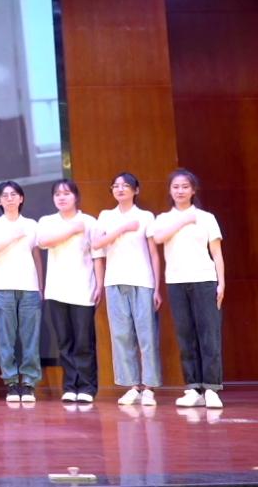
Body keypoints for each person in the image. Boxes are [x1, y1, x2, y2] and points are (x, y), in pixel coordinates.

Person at [150, 169, 225, 409]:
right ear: (170, 191)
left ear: (193, 190)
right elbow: (159, 237)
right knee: (186, 335)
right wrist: (183, 220)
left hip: (204, 280)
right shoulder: (163, 218)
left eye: (185, 186)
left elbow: (216, 253)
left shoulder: (206, 218)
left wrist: (221, 282)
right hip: (176, 282)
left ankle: (211, 388)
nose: (180, 191)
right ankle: (193, 388)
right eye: (175, 187)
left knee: (209, 334)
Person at [91, 172, 162, 407]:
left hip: (143, 281)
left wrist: (157, 288)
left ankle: (149, 387)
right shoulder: (106, 216)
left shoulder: (145, 216)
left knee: (146, 335)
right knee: (121, 335)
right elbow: (96, 244)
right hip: (114, 281)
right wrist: (122, 228)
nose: (120, 189)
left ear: (136, 190)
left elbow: (154, 254)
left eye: (125, 185)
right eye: (116, 186)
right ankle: (132, 386)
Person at [36, 179, 103, 404]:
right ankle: (70, 386)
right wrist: (72, 229)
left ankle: (87, 387)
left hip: (83, 288)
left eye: (66, 193)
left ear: (76, 196)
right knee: (64, 342)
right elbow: (43, 241)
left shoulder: (89, 221)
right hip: (56, 290)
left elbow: (97, 255)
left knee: (84, 342)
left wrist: (99, 284)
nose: (62, 197)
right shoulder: (47, 221)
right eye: (57, 194)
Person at [0, 180, 42, 403]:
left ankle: (28, 383)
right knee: (5, 338)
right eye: (5, 195)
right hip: (2, 287)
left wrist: (40, 285)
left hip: (29, 287)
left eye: (14, 194)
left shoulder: (32, 224)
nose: (10, 198)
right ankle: (10, 382)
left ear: (21, 198)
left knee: (30, 337)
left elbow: (36, 255)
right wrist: (13, 236)